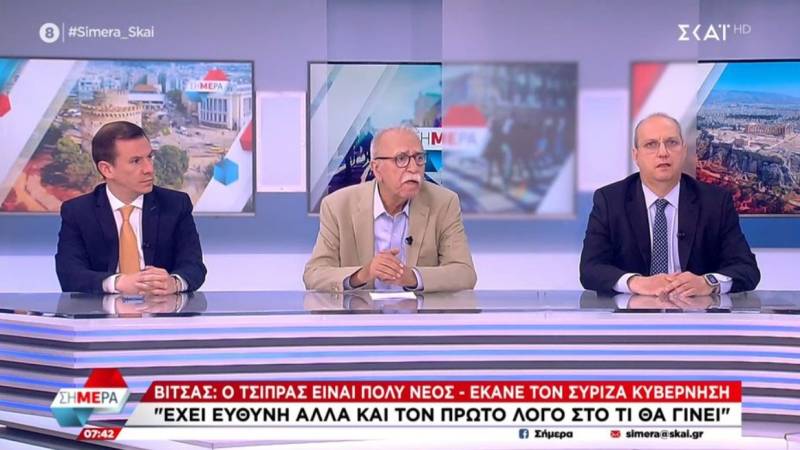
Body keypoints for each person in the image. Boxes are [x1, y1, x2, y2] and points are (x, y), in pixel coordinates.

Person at [579, 113, 759, 296]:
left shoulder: (715, 201)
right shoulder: (610, 201)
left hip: (697, 311)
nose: (663, 153)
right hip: (631, 312)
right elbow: (590, 269)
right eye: (651, 144)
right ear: (636, 155)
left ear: (683, 150)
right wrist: (636, 283)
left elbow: (747, 269)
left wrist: (707, 282)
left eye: (672, 143)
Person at [303, 126, 477, 292]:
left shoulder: (444, 203)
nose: (413, 168)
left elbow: (464, 273)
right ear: (376, 169)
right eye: (401, 159)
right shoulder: (338, 206)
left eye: (419, 158)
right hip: (361, 311)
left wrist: (413, 277)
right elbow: (314, 274)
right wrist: (362, 274)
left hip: (418, 312)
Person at [55, 121, 206, 294]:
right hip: (101, 310)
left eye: (150, 157)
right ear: (107, 169)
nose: (149, 169)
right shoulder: (78, 212)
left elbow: (194, 267)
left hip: (161, 308)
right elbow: (69, 275)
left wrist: (174, 283)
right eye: (136, 161)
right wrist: (118, 283)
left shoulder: (175, 205)